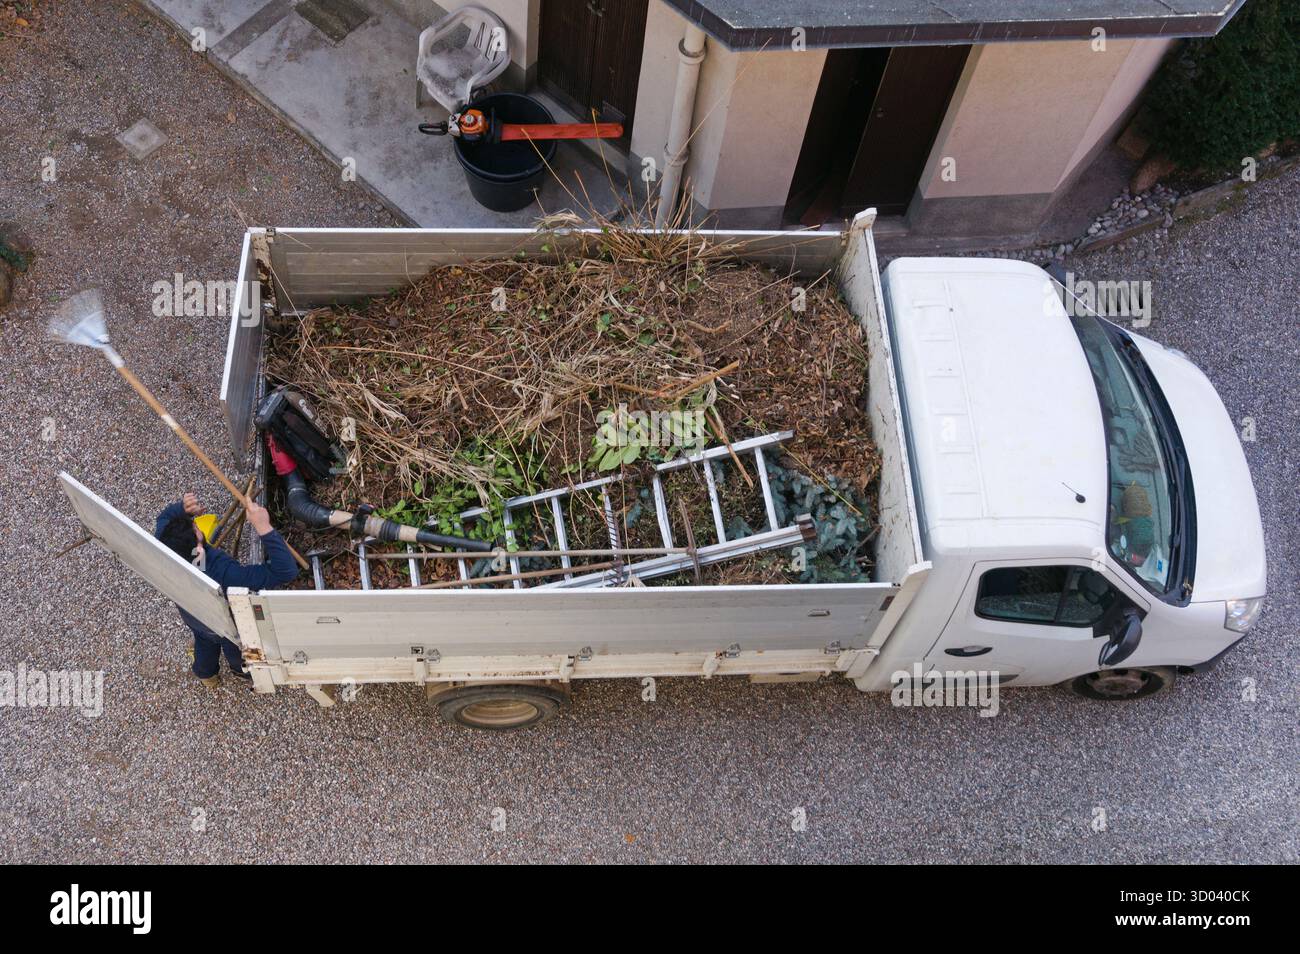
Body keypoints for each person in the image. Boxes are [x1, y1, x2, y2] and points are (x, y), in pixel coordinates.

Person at [155, 493, 298, 688]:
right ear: (199, 551)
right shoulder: (224, 574)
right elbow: (285, 570)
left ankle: (207, 676)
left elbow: (163, 518)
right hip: (223, 621)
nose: (196, 525)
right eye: (196, 529)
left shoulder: (162, 548)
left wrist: (182, 509)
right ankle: (240, 670)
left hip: (192, 613)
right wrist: (263, 527)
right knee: (232, 643)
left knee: (204, 642)